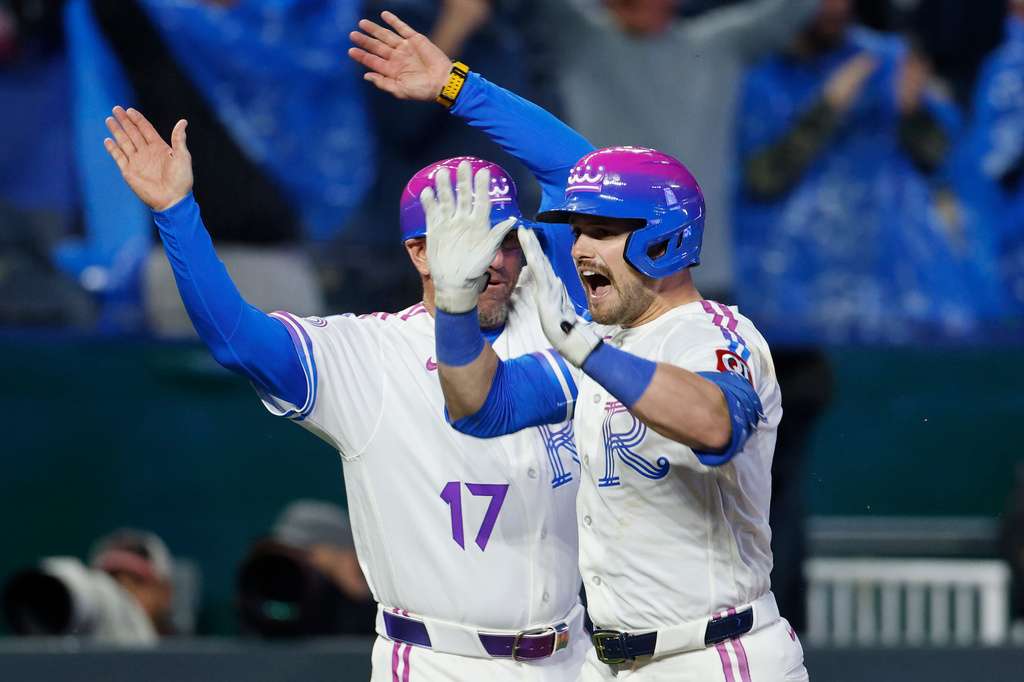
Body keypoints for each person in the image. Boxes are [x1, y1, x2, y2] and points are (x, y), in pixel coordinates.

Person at [102, 94, 592, 679]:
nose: (494, 261)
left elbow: (580, 172)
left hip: (575, 657)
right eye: (470, 244)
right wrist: (177, 214)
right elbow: (237, 339)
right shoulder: (369, 355)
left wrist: (457, 85)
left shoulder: (553, 315)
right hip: (444, 662)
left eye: (505, 241)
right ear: (419, 253)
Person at [424, 146, 806, 680]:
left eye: (601, 231)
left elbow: (716, 423)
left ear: (663, 237)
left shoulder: (715, 332)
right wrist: (454, 307)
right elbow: (482, 407)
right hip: (613, 663)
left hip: (715, 656)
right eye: (578, 231)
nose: (579, 248)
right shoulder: (605, 344)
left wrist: (589, 351)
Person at [733, 0, 1003, 344]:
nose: (836, 8)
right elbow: (762, 179)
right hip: (792, 293)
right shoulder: (760, 76)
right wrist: (827, 109)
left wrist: (912, 110)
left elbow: (946, 164)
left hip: (890, 287)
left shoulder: (884, 61)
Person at [238, 500, 376, 637]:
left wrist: (355, 588)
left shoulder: (352, 602)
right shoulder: (265, 586)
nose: (285, 574)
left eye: (306, 554)